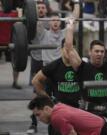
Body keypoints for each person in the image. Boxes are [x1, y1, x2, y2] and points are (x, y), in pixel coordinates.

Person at [63, 17, 107, 118]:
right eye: (96, 51)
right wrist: (69, 26)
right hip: (86, 114)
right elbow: (69, 48)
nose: (99, 54)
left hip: (104, 113)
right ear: (90, 52)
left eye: (102, 52)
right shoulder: (82, 67)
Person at [28, 95, 107, 135]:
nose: (38, 119)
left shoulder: (56, 118)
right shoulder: (59, 106)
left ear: (46, 109)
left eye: (38, 114)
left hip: (105, 132)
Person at [27, 1, 50, 134]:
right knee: (35, 92)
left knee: (52, 90)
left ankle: (56, 121)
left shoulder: (50, 21)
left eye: (42, 8)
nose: (41, 10)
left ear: (46, 10)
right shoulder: (31, 22)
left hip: (49, 59)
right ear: (34, 11)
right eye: (38, 8)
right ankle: (33, 123)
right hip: (37, 58)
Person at [0, 0, 22, 89]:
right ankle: (15, 82)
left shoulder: (14, 14)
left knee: (16, 64)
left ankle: (15, 82)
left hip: (11, 42)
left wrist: (19, 12)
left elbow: (21, 24)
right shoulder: (13, 14)